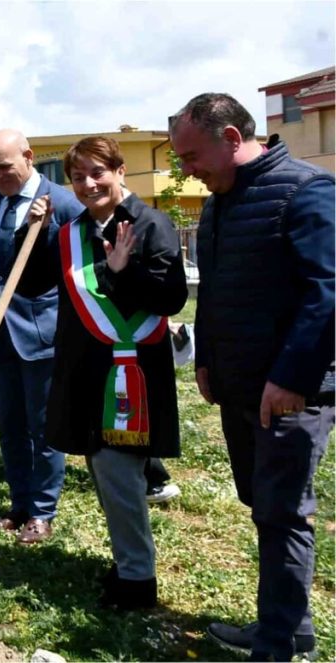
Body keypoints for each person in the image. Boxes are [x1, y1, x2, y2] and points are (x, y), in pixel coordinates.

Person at [169, 93, 334, 660]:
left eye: (192, 157)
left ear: (233, 139)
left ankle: (278, 645)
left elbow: (327, 293)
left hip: (291, 392)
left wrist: (292, 377)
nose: (186, 170)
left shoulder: (305, 191)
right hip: (239, 384)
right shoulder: (217, 204)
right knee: (263, 505)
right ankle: (290, 627)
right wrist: (208, 358)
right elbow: (214, 292)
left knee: (284, 512)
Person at [19, 136, 188, 609]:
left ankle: (137, 581)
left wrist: (122, 270)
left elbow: (170, 297)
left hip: (131, 376)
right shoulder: (72, 231)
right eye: (78, 177)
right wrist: (29, 233)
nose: (88, 183)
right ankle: (128, 563)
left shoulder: (152, 224)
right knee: (107, 472)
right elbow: (32, 283)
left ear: (119, 171)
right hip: (85, 372)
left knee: (120, 474)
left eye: (97, 172)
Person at [0, 129, 85, 544]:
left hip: (42, 331)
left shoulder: (64, 203)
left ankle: (42, 512)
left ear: (29, 157)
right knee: (10, 424)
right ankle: (19, 503)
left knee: (43, 426)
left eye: (3, 166)